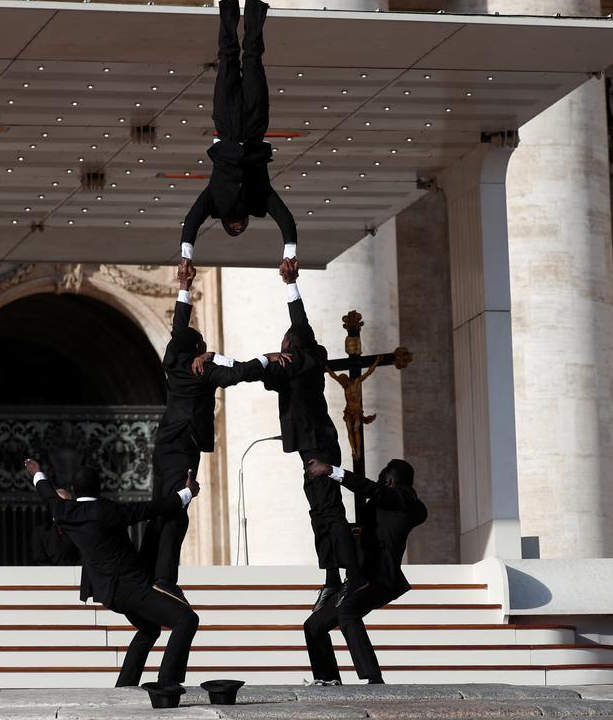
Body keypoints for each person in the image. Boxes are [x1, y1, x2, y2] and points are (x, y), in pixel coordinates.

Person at [142, 261, 285, 599]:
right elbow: (240, 373)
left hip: (164, 447)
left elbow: (179, 328)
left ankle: (146, 568)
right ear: (197, 353)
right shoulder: (201, 372)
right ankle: (163, 579)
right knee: (177, 511)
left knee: (163, 508)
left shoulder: (173, 363)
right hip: (184, 448)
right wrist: (266, 357)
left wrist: (183, 288)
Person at [24, 457, 200, 690]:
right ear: (100, 489)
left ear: (75, 491)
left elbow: (47, 494)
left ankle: (125, 686)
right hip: (133, 588)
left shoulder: (65, 511)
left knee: (150, 629)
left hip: (110, 594)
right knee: (187, 619)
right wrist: (187, 492)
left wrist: (38, 473)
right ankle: (167, 683)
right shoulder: (107, 510)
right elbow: (152, 508)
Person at [178, 0, 296, 280]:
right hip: (256, 125)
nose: (238, 226)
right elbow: (287, 221)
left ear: (226, 220)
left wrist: (186, 256)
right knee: (253, 57)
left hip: (227, 126)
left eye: (233, 228)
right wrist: (290, 254)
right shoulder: (260, 199)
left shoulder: (214, 200)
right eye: (241, 228)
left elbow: (191, 221)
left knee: (228, 56)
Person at [260, 260, 359, 610]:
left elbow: (299, 327)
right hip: (311, 447)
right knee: (319, 513)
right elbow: (262, 372)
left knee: (329, 512)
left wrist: (293, 286)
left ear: (291, 345)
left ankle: (352, 577)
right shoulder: (301, 362)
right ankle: (332, 579)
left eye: (283, 343)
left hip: (319, 446)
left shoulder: (304, 359)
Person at [302, 457, 428, 685]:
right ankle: (327, 679)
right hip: (360, 576)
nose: (378, 482)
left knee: (347, 611)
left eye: (382, 477)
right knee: (314, 626)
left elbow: (371, 489)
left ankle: (374, 679)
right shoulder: (383, 505)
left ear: (389, 480)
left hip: (379, 577)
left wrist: (331, 470)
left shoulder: (404, 498)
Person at [31, 486, 81, 566]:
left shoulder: (78, 530)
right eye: (57, 502)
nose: (61, 506)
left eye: (64, 503)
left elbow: (83, 556)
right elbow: (39, 559)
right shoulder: (41, 532)